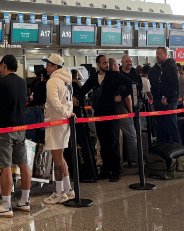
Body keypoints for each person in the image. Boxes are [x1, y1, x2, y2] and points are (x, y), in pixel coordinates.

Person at [0, 55, 31, 217]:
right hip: (20, 129)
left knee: (5, 168)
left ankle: (6, 206)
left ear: (3, 65)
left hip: (4, 129)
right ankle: (24, 202)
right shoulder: (22, 82)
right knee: (23, 164)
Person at [75, 54, 130, 182]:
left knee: (113, 141)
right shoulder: (94, 78)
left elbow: (130, 83)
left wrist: (120, 96)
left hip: (112, 113)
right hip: (99, 113)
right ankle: (106, 169)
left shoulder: (114, 75)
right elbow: (84, 90)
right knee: (103, 142)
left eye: (107, 63)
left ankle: (117, 170)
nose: (107, 65)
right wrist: (76, 96)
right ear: (98, 65)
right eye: (104, 63)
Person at [41, 54, 75, 204]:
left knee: (57, 160)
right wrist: (67, 114)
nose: (46, 67)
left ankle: (59, 193)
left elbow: (55, 104)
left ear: (55, 67)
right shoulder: (67, 81)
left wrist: (66, 113)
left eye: (48, 64)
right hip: (64, 123)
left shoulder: (52, 81)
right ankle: (68, 189)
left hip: (56, 123)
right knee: (61, 157)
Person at [148, 47, 181, 144]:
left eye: (160, 53)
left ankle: (180, 154)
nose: (157, 56)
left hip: (169, 102)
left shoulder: (170, 66)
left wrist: (166, 96)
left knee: (172, 129)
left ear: (166, 54)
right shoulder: (164, 66)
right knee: (164, 128)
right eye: (156, 53)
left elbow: (174, 84)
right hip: (165, 102)